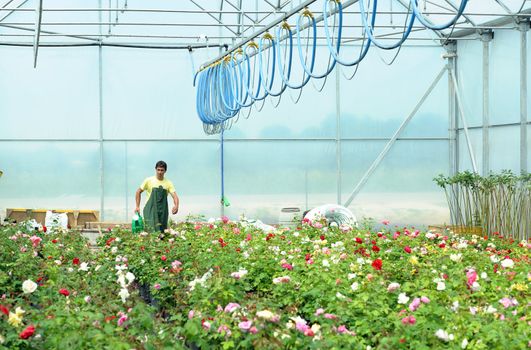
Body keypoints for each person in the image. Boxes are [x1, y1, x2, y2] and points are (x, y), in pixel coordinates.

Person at [135, 161, 179, 232]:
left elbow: (175, 196)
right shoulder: (148, 180)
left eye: (162, 170)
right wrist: (137, 206)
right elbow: (138, 192)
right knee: (151, 230)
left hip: (162, 212)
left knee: (162, 232)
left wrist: (176, 206)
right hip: (150, 210)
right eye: (158, 169)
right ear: (155, 169)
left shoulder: (168, 183)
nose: (160, 172)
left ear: (165, 171)